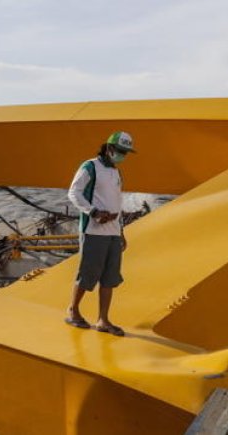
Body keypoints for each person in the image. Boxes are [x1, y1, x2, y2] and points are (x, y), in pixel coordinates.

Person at [64, 131, 136, 336]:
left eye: (126, 152)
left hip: (112, 231)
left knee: (109, 277)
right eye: (121, 151)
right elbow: (73, 192)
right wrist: (93, 212)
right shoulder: (90, 167)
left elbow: (117, 203)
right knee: (87, 274)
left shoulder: (116, 172)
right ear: (109, 148)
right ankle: (73, 310)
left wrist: (120, 231)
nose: (123, 155)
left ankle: (103, 320)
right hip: (93, 229)